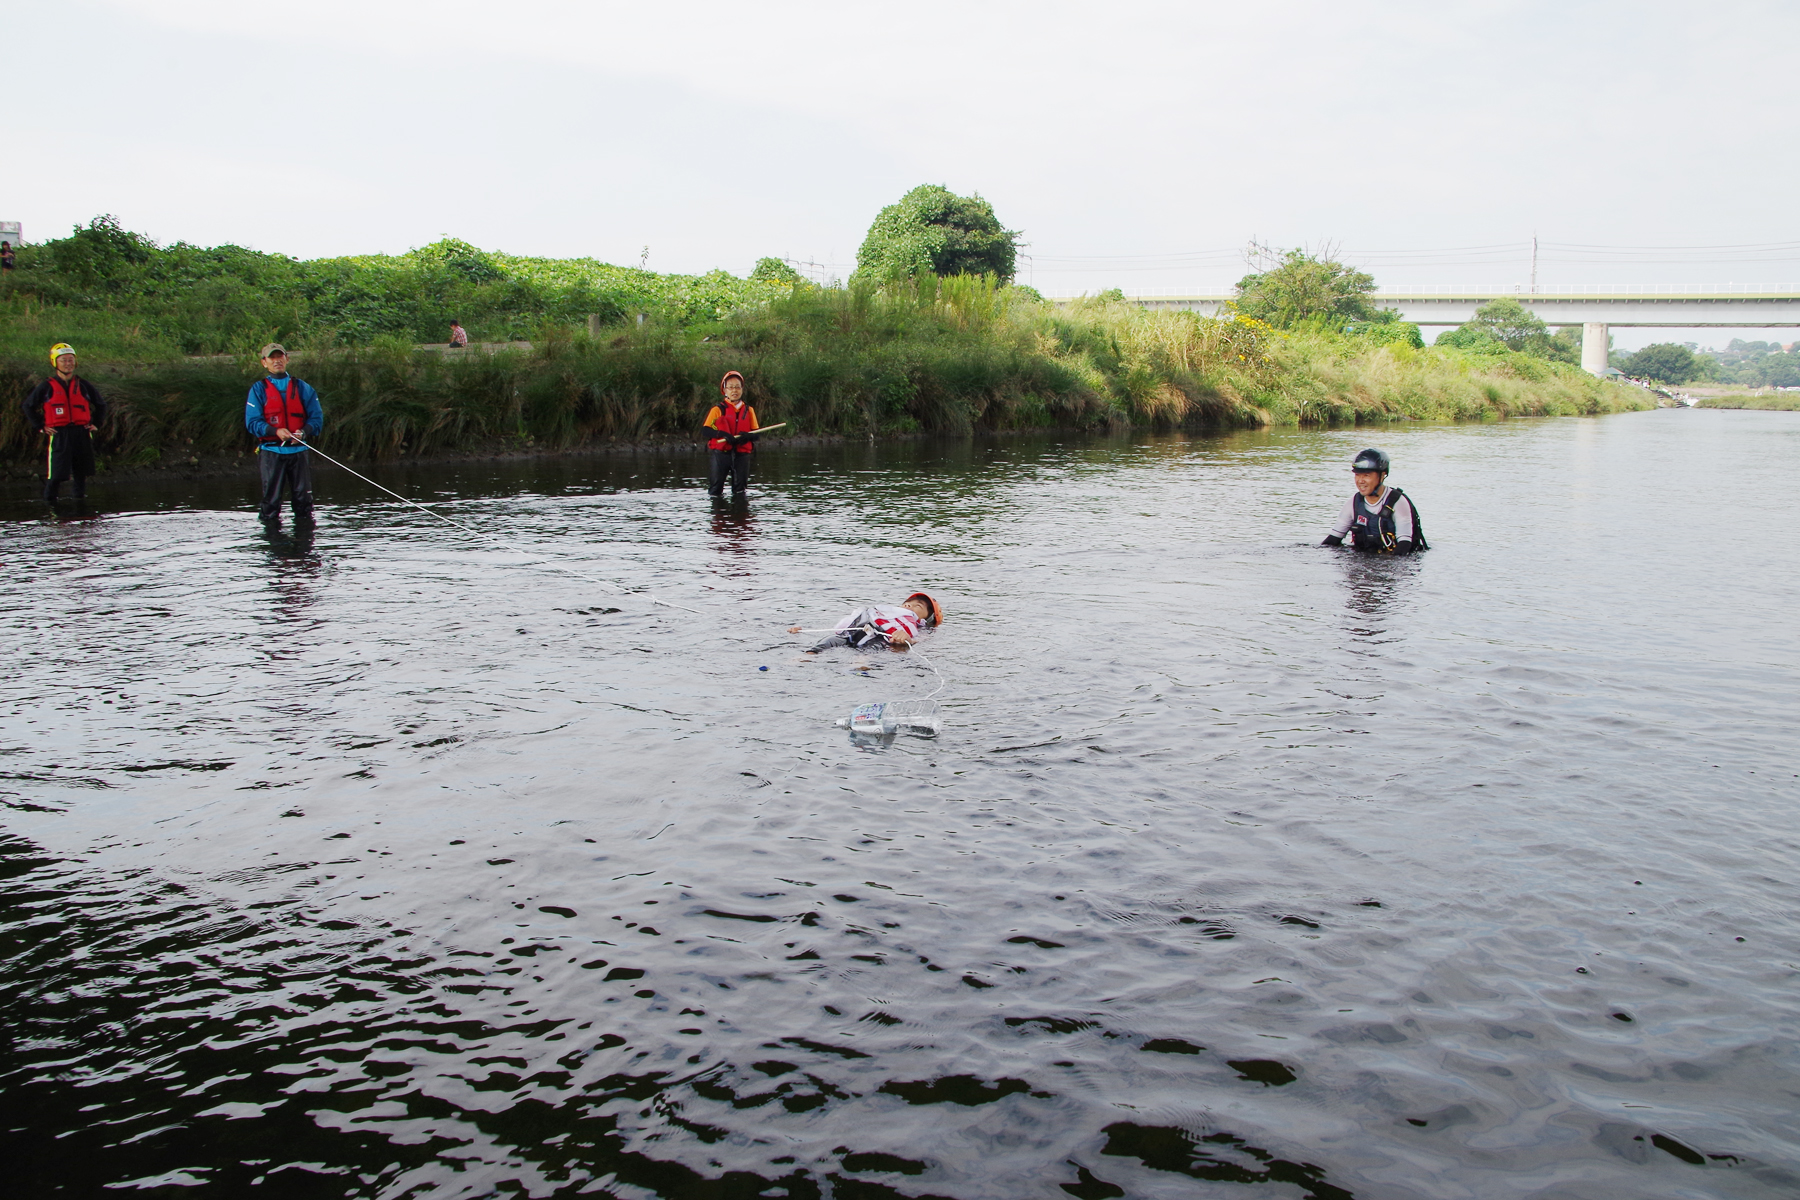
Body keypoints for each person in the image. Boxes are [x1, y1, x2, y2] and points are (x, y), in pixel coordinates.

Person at [244, 342, 324, 530]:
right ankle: (272, 547)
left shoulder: (303, 388)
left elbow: (316, 418)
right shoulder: (258, 389)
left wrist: (304, 431)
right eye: (272, 357)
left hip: (298, 451)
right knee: (271, 502)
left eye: (280, 357)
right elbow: (252, 422)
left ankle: (304, 547)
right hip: (271, 452)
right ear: (264, 362)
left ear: (287, 359)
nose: (277, 360)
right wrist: (275, 431)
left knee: (303, 501)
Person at [23, 343, 107, 506]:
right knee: (56, 474)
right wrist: (40, 426)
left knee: (81, 472)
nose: (68, 364)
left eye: (71, 360)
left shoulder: (83, 385)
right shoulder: (47, 386)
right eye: (63, 360)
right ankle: (51, 506)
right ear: (55, 362)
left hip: (81, 432)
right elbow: (28, 406)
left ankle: (81, 508)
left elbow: (101, 405)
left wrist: (96, 423)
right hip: (59, 434)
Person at [1322, 448, 1427, 554]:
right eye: (1357, 475)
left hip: (1391, 562)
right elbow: (1333, 540)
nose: (1360, 481)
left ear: (1382, 476)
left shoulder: (1398, 502)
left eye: (1366, 475)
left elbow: (1404, 544)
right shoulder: (1353, 504)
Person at [790, 592, 944, 653]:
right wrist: (803, 630)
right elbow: (843, 625)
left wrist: (907, 639)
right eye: (908, 603)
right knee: (829, 641)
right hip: (855, 633)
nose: (909, 605)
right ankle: (806, 657)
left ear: (926, 620)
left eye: (918, 606)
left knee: (872, 649)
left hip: (881, 641)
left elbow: (919, 641)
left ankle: (860, 665)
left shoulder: (922, 629)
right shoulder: (883, 613)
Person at [703, 370, 759, 498]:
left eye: (738, 387)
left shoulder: (749, 410)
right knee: (715, 491)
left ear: (742, 389)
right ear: (725, 390)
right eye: (731, 387)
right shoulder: (717, 410)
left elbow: (756, 434)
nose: (735, 390)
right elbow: (706, 430)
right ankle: (718, 515)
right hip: (721, 455)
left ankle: (739, 515)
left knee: (740, 491)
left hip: (741, 455)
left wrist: (747, 436)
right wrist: (723, 434)